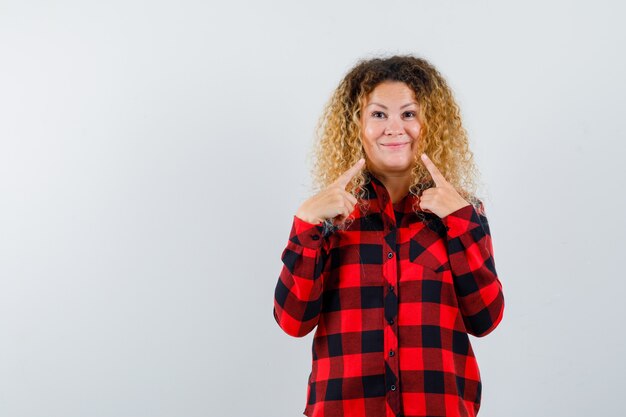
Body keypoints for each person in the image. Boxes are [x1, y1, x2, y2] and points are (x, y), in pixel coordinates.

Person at [272, 55, 505, 417]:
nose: (394, 128)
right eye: (378, 114)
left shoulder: (462, 212)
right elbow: (293, 321)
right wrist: (305, 225)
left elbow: (485, 318)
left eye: (409, 114)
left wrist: (461, 220)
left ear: (431, 123)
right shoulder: (329, 217)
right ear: (356, 127)